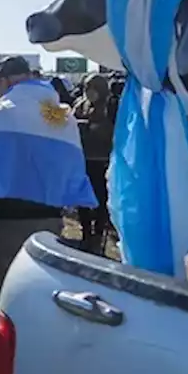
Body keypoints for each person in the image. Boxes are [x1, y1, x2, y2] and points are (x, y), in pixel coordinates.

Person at [0, 56, 97, 321]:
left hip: (5, 220)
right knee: (39, 298)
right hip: (50, 218)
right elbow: (73, 161)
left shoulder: (5, 110)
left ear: (9, 80)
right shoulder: (59, 114)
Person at [75, 74, 115, 255]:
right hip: (84, 159)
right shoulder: (80, 105)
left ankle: (98, 235)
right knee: (82, 198)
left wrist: (94, 129)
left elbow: (114, 131)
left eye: (93, 89)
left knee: (101, 199)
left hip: (103, 160)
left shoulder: (111, 107)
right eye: (87, 88)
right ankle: (86, 233)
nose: (89, 93)